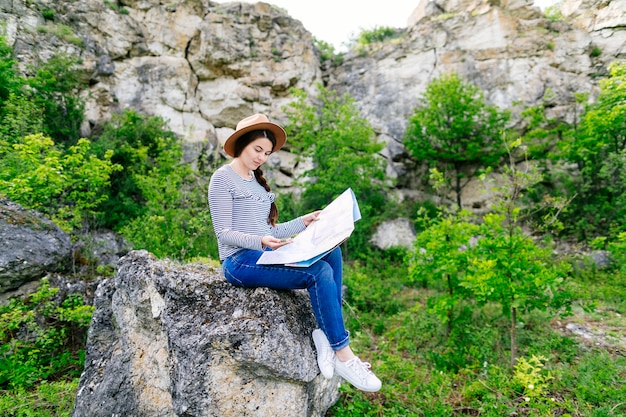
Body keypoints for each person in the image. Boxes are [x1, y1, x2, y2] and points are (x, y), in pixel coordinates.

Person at [208, 113, 382, 392]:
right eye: (257, 150)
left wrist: (305, 220)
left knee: (331, 253)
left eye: (266, 153)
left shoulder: (255, 183)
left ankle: (327, 336)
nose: (261, 157)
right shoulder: (222, 179)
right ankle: (343, 355)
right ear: (241, 144)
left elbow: (272, 230)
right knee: (318, 272)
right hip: (238, 262)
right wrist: (262, 241)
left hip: (262, 253)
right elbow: (224, 233)